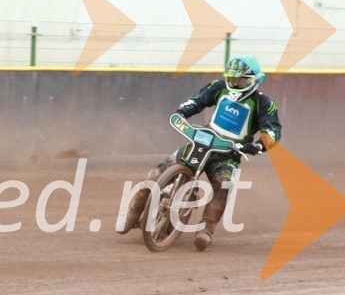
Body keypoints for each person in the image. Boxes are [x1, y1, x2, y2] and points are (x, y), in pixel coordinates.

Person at [117, 56, 282, 251]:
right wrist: (183, 111)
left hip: (228, 152)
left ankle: (207, 230)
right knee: (155, 174)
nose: (236, 83)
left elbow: (272, 130)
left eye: (242, 80)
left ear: (255, 79)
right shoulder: (218, 87)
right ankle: (132, 214)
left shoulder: (264, 103)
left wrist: (259, 145)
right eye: (233, 79)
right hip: (202, 140)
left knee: (223, 184)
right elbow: (197, 100)